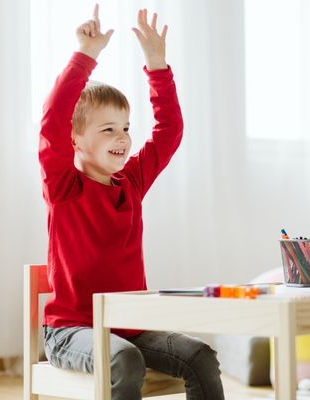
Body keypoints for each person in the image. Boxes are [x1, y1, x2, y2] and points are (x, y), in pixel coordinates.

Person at [38, 5, 224, 400]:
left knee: (201, 356)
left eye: (125, 128)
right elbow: (53, 118)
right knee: (125, 360)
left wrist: (157, 64)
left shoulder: (131, 184)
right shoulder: (63, 187)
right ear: (76, 141)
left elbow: (169, 131)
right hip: (71, 331)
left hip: (129, 325)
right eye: (108, 129)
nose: (122, 138)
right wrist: (85, 55)